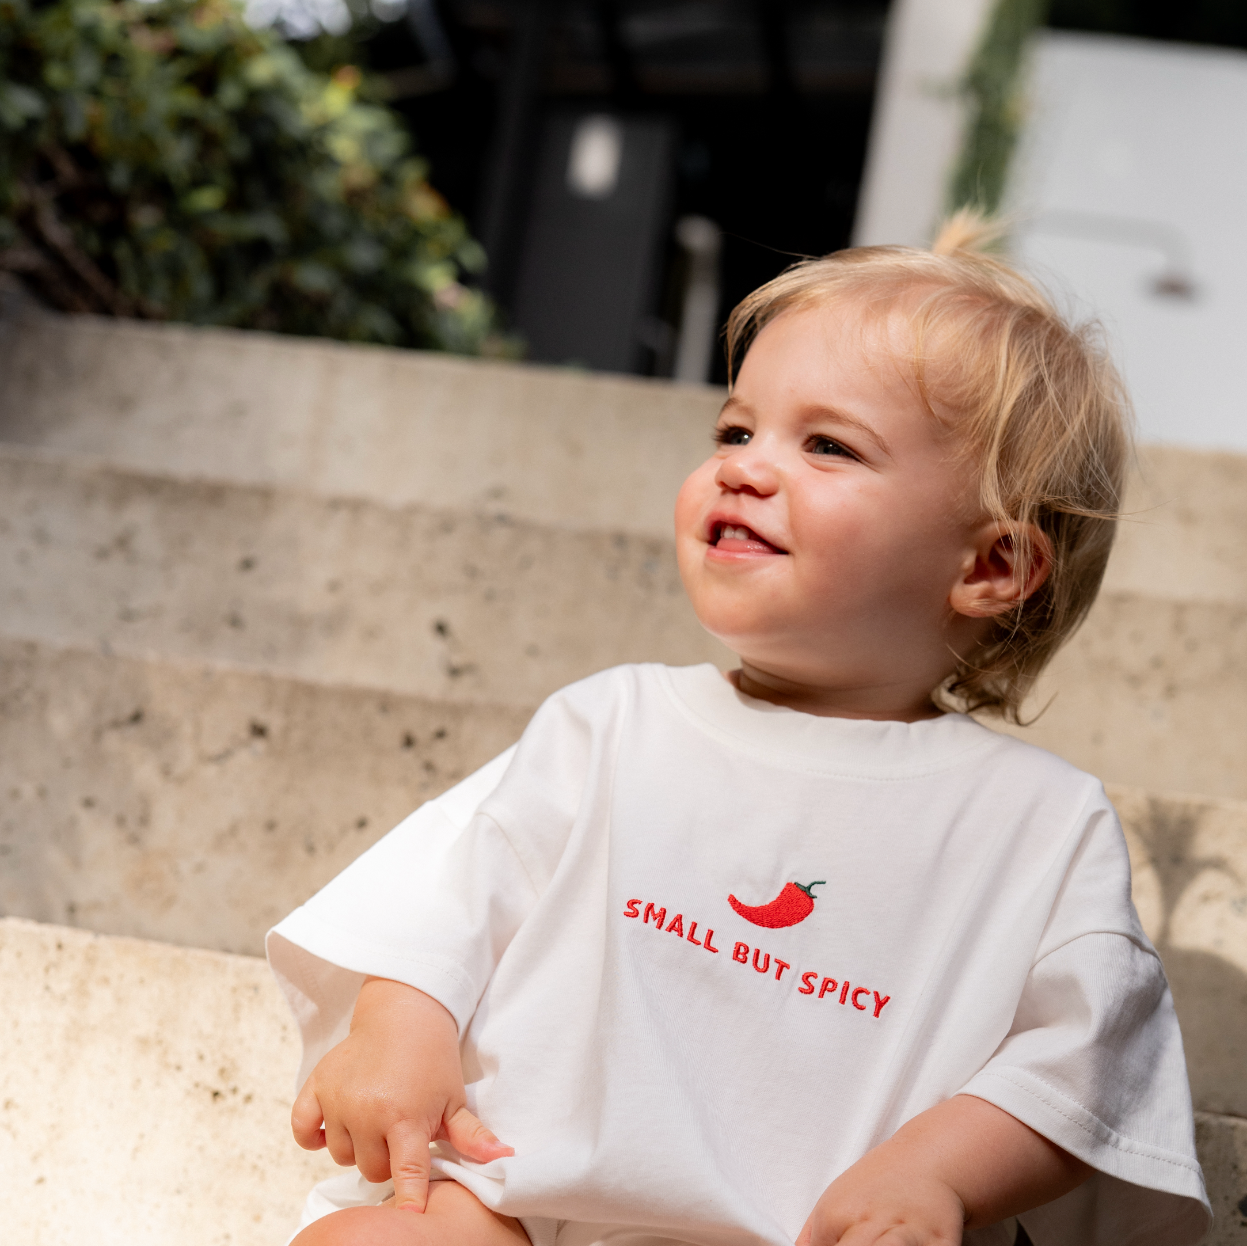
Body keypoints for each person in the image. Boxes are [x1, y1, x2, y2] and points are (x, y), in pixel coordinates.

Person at [267, 214, 1211, 1246]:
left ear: (987, 566)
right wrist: (399, 1031)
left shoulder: (1035, 822)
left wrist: (936, 1173)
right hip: (510, 1207)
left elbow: (1083, 1055)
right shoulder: (611, 723)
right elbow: (442, 902)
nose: (745, 467)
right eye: (733, 429)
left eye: (825, 445)